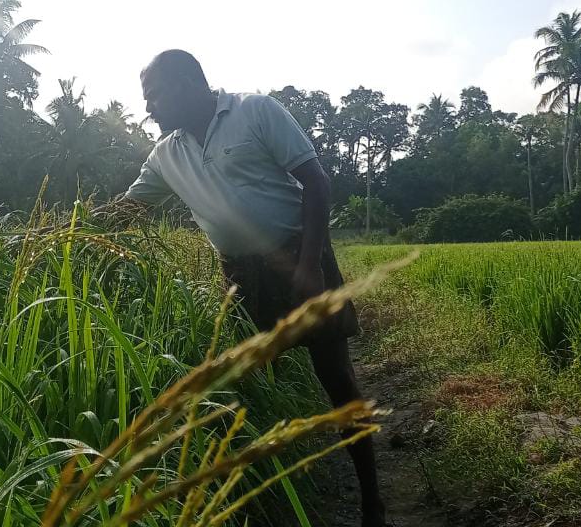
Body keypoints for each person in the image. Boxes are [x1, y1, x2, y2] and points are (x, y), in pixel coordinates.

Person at [117, 49, 388, 526]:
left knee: (337, 378)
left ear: (186, 83)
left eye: (154, 95)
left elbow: (316, 182)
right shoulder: (166, 155)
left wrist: (309, 267)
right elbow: (125, 211)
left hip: (301, 258)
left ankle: (371, 500)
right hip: (239, 279)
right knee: (242, 389)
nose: (149, 108)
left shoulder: (255, 111)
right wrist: (55, 232)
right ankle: (264, 500)